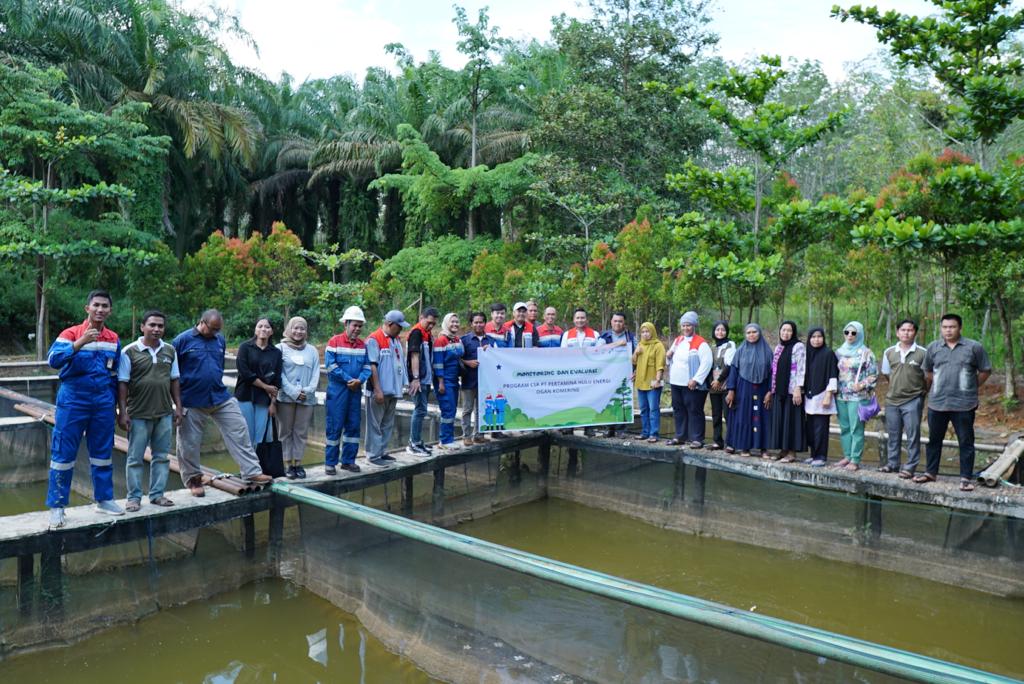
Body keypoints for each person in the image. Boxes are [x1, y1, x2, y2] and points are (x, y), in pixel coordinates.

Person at [46, 290, 124, 527]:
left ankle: (104, 499)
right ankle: (57, 506)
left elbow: (115, 374)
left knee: (102, 453)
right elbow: (53, 361)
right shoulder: (70, 334)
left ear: (110, 310)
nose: (100, 310)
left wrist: (117, 408)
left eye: (105, 306)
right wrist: (79, 344)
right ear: (87, 308)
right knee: (63, 453)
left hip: (102, 402)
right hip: (73, 400)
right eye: (96, 305)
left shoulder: (113, 339)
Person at [174, 309, 272, 497]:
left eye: (218, 330)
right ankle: (194, 480)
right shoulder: (182, 340)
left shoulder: (219, 339)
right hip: (192, 399)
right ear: (202, 322)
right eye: (212, 329)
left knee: (239, 428)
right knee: (189, 442)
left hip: (219, 396)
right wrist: (176, 403)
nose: (215, 333)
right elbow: (172, 373)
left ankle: (251, 471)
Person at [117, 309, 182, 512]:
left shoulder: (170, 351)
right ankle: (134, 497)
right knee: (135, 458)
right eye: (152, 325)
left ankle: (157, 495)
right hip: (138, 414)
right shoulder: (129, 351)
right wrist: (122, 411)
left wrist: (178, 407)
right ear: (142, 327)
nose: (156, 329)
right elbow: (122, 384)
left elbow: (174, 380)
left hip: (163, 413)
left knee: (161, 456)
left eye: (160, 326)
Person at [917, 314, 992, 491]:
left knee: (965, 441)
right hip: (938, 403)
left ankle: (965, 478)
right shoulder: (933, 347)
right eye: (945, 327)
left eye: (952, 327)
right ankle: (930, 472)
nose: (948, 330)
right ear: (941, 328)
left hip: (964, 404)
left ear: (960, 328)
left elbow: (985, 370)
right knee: (934, 440)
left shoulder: (974, 347)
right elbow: (928, 372)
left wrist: (971, 386)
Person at [324, 307, 371, 474]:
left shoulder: (363, 345)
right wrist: (348, 379)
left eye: (360, 326)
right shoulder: (334, 342)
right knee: (334, 426)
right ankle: (330, 462)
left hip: (355, 391)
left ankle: (348, 461)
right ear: (346, 324)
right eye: (354, 325)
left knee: (353, 426)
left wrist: (360, 380)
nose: (357, 329)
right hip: (338, 391)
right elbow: (331, 366)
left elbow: (367, 367)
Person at [880, 319, 927, 478]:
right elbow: (887, 374)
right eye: (903, 330)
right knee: (893, 434)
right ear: (897, 332)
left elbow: (927, 377)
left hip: (913, 399)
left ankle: (910, 466)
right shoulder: (889, 352)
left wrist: (921, 393)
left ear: (915, 332)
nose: (906, 333)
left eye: (910, 330)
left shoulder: (922, 353)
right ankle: (892, 464)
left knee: (913, 435)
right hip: (892, 400)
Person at [276, 316, 319, 480]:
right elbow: (279, 374)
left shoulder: (312, 350)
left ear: (306, 331)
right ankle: (287, 464)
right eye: (295, 328)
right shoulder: (279, 348)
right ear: (289, 329)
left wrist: (307, 391)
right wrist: (293, 392)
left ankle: (298, 464)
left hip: (306, 399)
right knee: (285, 431)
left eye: (302, 328)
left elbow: (316, 374)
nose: (298, 331)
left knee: (301, 432)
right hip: (286, 398)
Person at [365, 310, 409, 465]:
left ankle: (382, 451)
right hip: (379, 391)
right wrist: (377, 389)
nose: (401, 329)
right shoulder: (374, 339)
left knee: (387, 423)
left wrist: (404, 384)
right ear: (390, 324)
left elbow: (400, 363)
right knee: (375, 424)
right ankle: (373, 455)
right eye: (399, 326)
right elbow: (372, 365)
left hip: (393, 390)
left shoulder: (396, 339)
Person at [834, 321, 878, 472]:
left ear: (859, 334)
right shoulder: (839, 351)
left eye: (854, 333)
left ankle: (855, 459)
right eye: (847, 332)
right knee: (844, 427)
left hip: (858, 396)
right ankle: (847, 455)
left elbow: (873, 375)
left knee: (856, 428)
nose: (850, 335)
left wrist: (862, 384)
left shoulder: (866, 353)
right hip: (841, 395)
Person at [725, 324, 773, 457]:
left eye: (754, 332)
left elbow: (772, 373)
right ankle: (744, 447)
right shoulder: (740, 350)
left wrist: (770, 391)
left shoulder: (767, 351)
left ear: (759, 333)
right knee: (743, 416)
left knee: (763, 417)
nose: (751, 335)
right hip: (743, 389)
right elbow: (733, 371)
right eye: (748, 333)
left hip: (763, 389)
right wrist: (731, 390)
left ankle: (764, 448)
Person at [666, 311, 712, 448]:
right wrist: (668, 356)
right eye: (683, 325)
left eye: (688, 325)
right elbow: (670, 358)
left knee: (694, 410)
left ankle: (697, 438)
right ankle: (680, 436)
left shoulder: (701, 343)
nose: (685, 328)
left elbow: (706, 363)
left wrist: (696, 379)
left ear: (694, 326)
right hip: (676, 382)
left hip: (692, 384)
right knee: (679, 409)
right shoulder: (678, 340)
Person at [235, 318, 283, 451]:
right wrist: (265, 387)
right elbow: (245, 373)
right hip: (245, 396)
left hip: (264, 399)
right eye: (260, 326)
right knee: (246, 435)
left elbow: (277, 380)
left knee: (260, 436)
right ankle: (246, 469)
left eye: (267, 327)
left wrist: (273, 403)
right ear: (255, 329)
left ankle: (258, 468)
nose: (263, 329)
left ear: (272, 331)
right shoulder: (245, 348)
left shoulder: (276, 353)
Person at [766, 321, 807, 462]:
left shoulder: (798, 346)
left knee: (792, 421)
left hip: (792, 391)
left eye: (789, 330)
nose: (786, 333)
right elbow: (774, 371)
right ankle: (783, 450)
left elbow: (800, 368)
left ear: (793, 332)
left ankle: (792, 452)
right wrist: (772, 390)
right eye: (783, 330)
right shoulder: (779, 347)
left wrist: (797, 388)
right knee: (781, 420)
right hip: (779, 390)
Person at [803, 327, 838, 467]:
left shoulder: (828, 353)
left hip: (822, 395)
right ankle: (813, 455)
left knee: (821, 428)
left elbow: (832, 375)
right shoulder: (807, 353)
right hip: (809, 396)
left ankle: (821, 456)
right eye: (813, 337)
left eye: (819, 337)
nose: (816, 340)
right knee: (810, 428)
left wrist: (828, 395)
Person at [600, 312, 637, 437]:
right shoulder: (604, 336)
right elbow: (598, 350)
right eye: (615, 321)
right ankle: (609, 428)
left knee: (623, 400)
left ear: (624, 323)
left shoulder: (631, 337)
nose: (617, 323)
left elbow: (638, 356)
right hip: (607, 374)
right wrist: (617, 344)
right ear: (611, 322)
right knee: (608, 400)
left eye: (620, 321)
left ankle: (621, 430)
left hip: (624, 375)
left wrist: (636, 371)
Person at [407, 307, 438, 455]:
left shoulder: (427, 334)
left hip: (425, 378)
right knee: (419, 409)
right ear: (421, 318)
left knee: (421, 409)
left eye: (433, 324)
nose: (431, 326)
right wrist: (415, 378)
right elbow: (414, 355)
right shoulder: (416, 332)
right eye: (429, 322)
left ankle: (417, 441)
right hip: (418, 379)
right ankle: (414, 443)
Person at [433, 312, 465, 449]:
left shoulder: (457, 340)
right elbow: (438, 363)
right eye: (452, 322)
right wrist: (440, 382)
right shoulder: (441, 340)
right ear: (446, 323)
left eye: (457, 322)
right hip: (444, 380)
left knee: (452, 410)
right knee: (447, 409)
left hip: (454, 379)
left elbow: (461, 357)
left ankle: (448, 439)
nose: (455, 324)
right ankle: (445, 441)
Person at [460, 312, 490, 446]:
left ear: (485, 323)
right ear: (471, 324)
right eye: (476, 322)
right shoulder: (464, 340)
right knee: (467, 409)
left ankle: (479, 435)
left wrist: (491, 351)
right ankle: (466, 436)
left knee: (481, 409)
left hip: (485, 382)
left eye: (481, 322)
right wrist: (468, 362)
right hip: (468, 380)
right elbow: (457, 357)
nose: (478, 324)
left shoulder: (490, 341)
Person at [632, 322, 666, 443]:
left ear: (652, 332)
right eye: (643, 332)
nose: (645, 334)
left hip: (653, 383)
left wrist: (658, 379)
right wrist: (636, 352)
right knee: (643, 409)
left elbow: (660, 365)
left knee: (653, 409)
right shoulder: (640, 344)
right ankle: (645, 432)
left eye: (647, 331)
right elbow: (634, 362)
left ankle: (654, 434)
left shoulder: (658, 345)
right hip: (641, 381)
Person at [708, 321, 736, 450]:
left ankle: (731, 442)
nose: (720, 332)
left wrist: (719, 380)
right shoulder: (712, 347)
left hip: (725, 384)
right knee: (716, 414)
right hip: (713, 386)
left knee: (728, 414)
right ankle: (717, 441)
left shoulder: (730, 345)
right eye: (717, 329)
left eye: (723, 330)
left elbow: (730, 365)